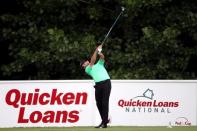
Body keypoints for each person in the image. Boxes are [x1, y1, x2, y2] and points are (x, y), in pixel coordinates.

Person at [81, 44, 111, 128]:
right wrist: (96, 50)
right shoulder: (87, 69)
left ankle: (104, 123)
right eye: (83, 64)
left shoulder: (99, 64)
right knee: (99, 103)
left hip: (106, 83)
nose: (85, 62)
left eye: (84, 61)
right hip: (98, 85)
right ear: (83, 66)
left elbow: (102, 57)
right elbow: (93, 60)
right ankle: (104, 120)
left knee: (104, 102)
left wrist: (99, 52)